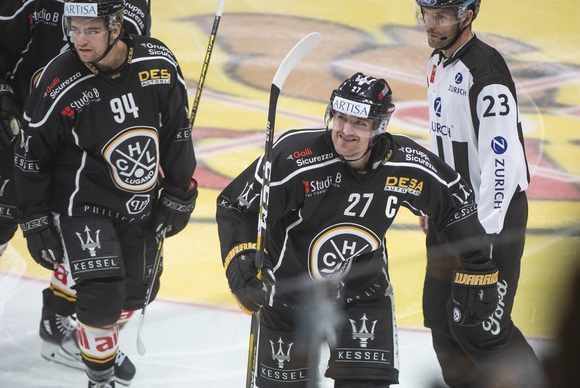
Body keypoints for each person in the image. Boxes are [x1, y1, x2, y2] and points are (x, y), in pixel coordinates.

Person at [216, 72, 500, 388]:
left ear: (378, 127)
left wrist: (477, 267)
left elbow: (455, 200)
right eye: (340, 118)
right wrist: (241, 266)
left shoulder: (405, 163)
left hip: (363, 293)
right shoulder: (294, 157)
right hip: (287, 297)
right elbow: (236, 206)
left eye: (359, 123)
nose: (345, 131)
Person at [13, 0, 197, 386]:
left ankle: (93, 342)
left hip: (139, 203)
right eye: (74, 28)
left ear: (117, 28)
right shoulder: (59, 78)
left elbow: (177, 131)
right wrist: (33, 217)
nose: (79, 40)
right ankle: (100, 378)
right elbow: (31, 153)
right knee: (100, 297)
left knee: (137, 295)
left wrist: (180, 190)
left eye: (91, 30)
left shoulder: (157, 64)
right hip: (84, 205)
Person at [0, 0, 149, 385]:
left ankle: (59, 323)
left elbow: (133, 52)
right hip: (20, 131)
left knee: (82, 236)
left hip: (84, 142)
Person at [414, 0, 544, 386]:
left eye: (439, 17)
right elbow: (445, 137)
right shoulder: (438, 63)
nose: (429, 25)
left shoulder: (485, 72)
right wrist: (433, 198)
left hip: (491, 216)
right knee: (440, 318)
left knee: (483, 327)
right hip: (449, 212)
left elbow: (499, 161)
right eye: (426, 14)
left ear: (466, 16)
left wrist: (483, 233)